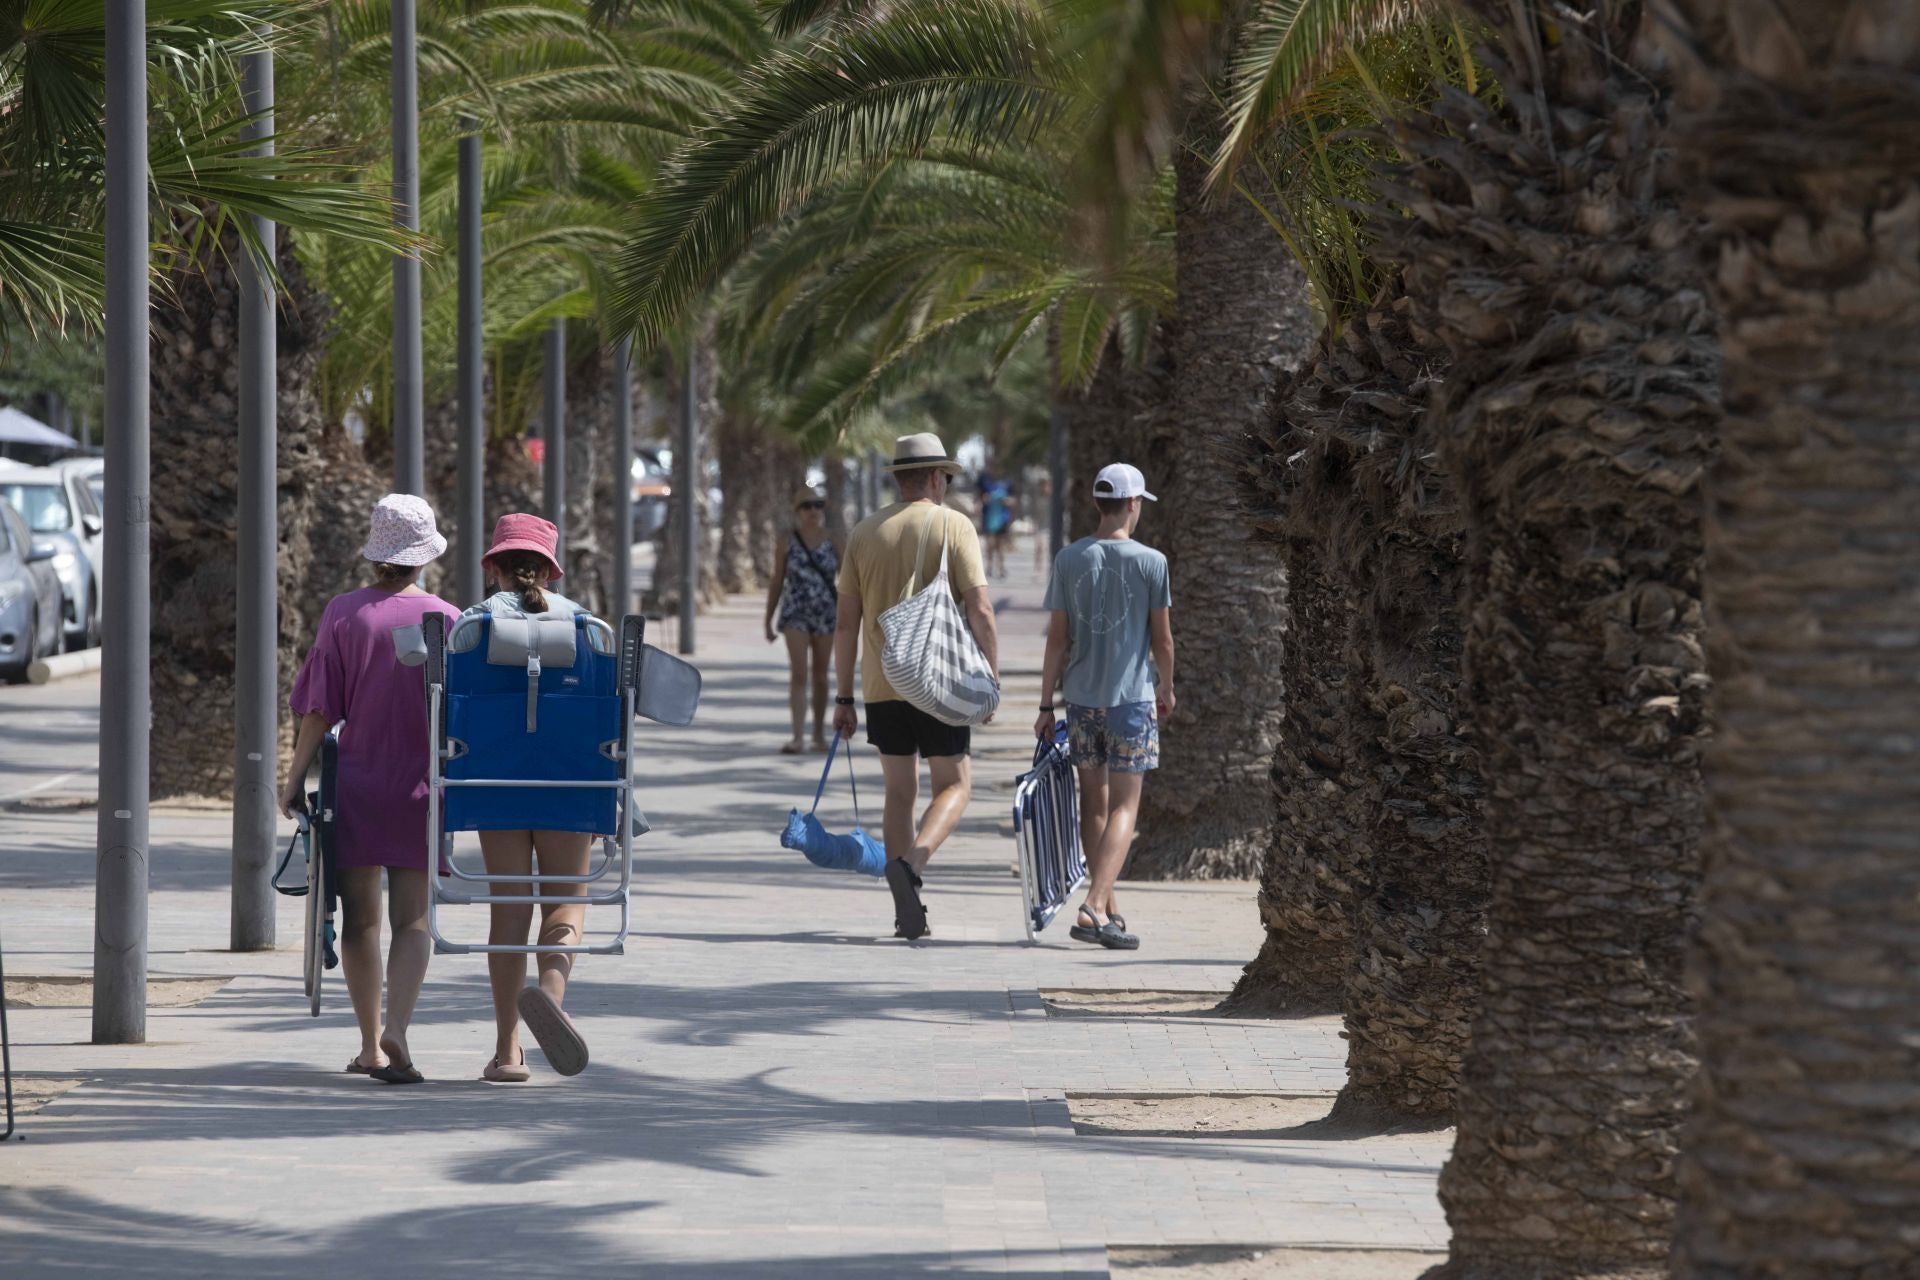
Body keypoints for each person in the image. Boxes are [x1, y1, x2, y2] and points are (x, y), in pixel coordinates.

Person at [280, 494, 461, 1084]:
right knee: (413, 922)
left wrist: (292, 778)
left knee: (360, 921)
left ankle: (368, 1046)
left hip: (354, 786)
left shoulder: (343, 613)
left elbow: (317, 709)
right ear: (424, 556)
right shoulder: (448, 620)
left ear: (376, 554)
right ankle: (398, 1031)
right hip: (423, 786)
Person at [832, 432, 999, 940]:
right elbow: (981, 610)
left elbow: (845, 624)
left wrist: (843, 697)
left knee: (899, 792)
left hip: (883, 683)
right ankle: (913, 865)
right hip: (941, 684)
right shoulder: (953, 525)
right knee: (955, 785)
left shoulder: (864, 532)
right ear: (932, 477)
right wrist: (990, 677)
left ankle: (906, 909)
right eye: (945, 477)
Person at [460, 513, 594, 1082]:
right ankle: (552, 998)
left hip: (495, 783)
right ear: (551, 571)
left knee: (508, 911)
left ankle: (507, 1050)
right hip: (573, 782)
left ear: (492, 566)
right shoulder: (588, 628)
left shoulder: (471, 626)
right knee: (566, 902)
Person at [1034, 464, 1175, 951]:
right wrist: (1168, 685)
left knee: (1092, 803)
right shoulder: (1152, 562)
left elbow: (1057, 639)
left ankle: (1109, 910)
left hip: (1080, 700)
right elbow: (1163, 640)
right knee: (1125, 806)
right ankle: (1094, 904)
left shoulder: (1069, 558)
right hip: (1131, 700)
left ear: (1098, 504)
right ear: (1133, 504)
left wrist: (1044, 703)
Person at [764, 487, 838, 754]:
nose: (813, 511)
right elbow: (776, 581)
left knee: (820, 675)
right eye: (807, 506)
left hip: (826, 612)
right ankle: (797, 736)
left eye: (818, 505)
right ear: (797, 511)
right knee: (799, 673)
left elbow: (851, 582)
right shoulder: (787, 542)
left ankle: (818, 734)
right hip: (795, 612)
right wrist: (768, 620)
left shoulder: (834, 540)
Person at [976, 470, 1014, 579]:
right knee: (990, 545)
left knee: (1000, 547)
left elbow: (1012, 501)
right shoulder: (986, 483)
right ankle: (989, 568)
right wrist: (985, 499)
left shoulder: (1006, 484)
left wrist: (1006, 501)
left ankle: (1001, 568)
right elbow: (981, 499)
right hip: (989, 519)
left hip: (1001, 520)